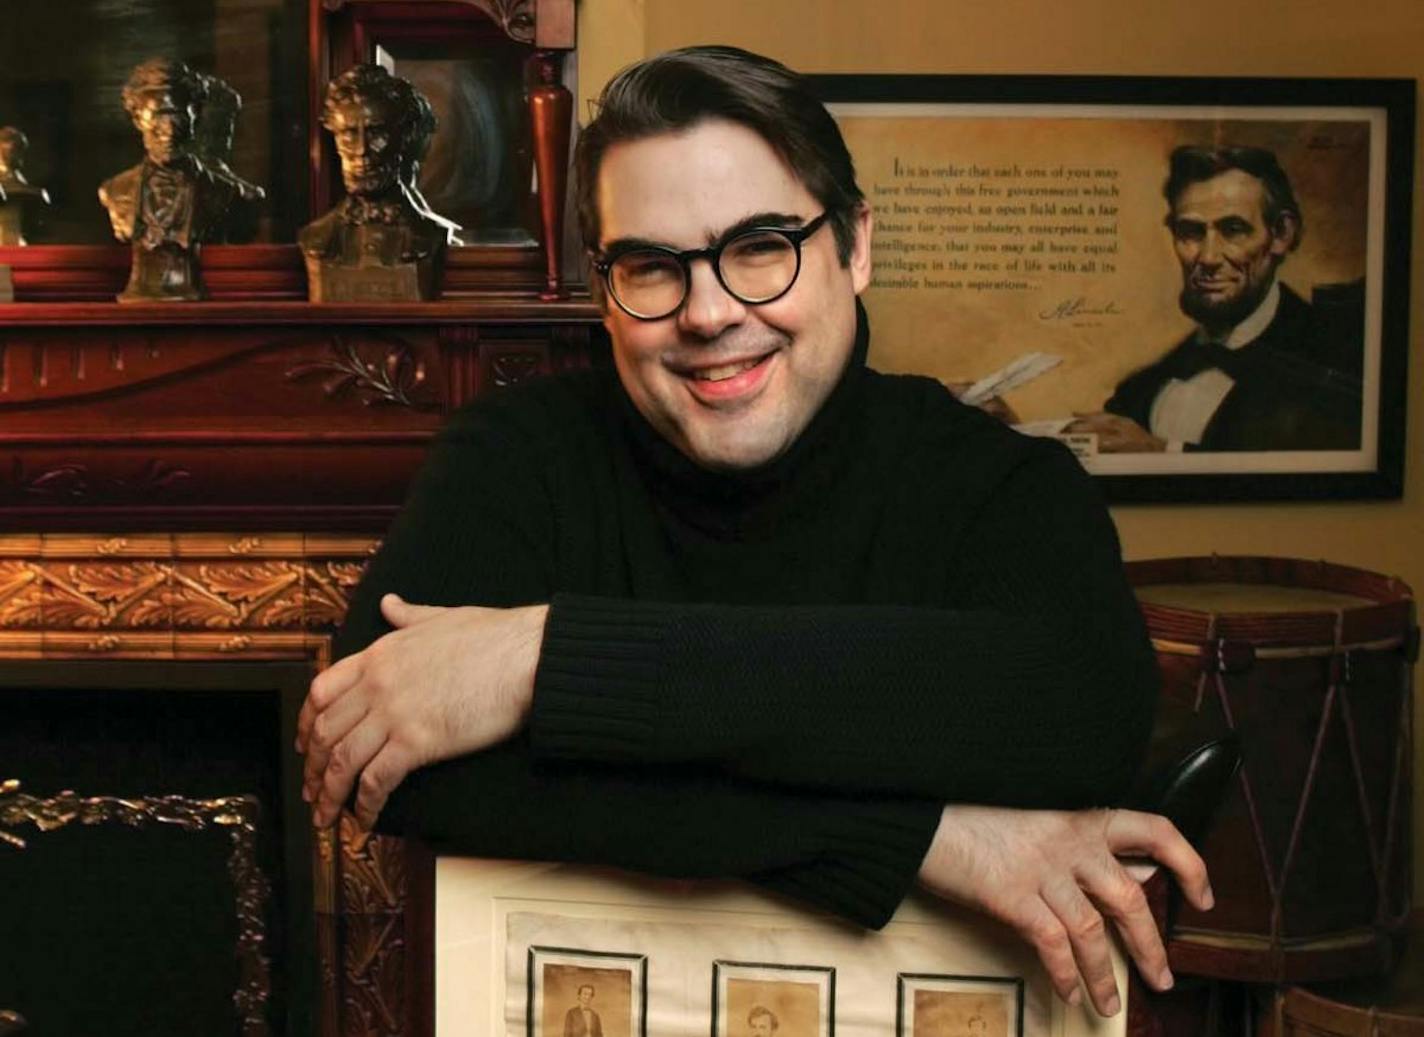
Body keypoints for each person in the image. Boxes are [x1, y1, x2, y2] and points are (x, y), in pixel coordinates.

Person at [297, 46, 1212, 1017]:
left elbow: (1078, 715)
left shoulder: (999, 483)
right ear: (603, 285)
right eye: (651, 265)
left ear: (853, 246)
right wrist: (917, 837)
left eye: (760, 246)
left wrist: (548, 659)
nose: (708, 311)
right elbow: (392, 777)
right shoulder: (514, 454)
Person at [1067, 146, 1363, 452]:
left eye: (1233, 230)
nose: (1208, 258)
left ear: (1281, 235)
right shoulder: (1138, 391)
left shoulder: (1340, 363)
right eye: (1191, 232)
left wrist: (1160, 454)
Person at [298, 64, 460, 302]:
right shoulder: (314, 239)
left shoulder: (430, 236)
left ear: (403, 138)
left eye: (377, 133)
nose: (362, 150)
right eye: (349, 134)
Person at [98, 58, 247, 301]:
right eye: (157, 115)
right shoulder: (114, 191)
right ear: (137, 118)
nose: (168, 129)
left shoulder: (221, 191)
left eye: (177, 115)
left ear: (194, 117)